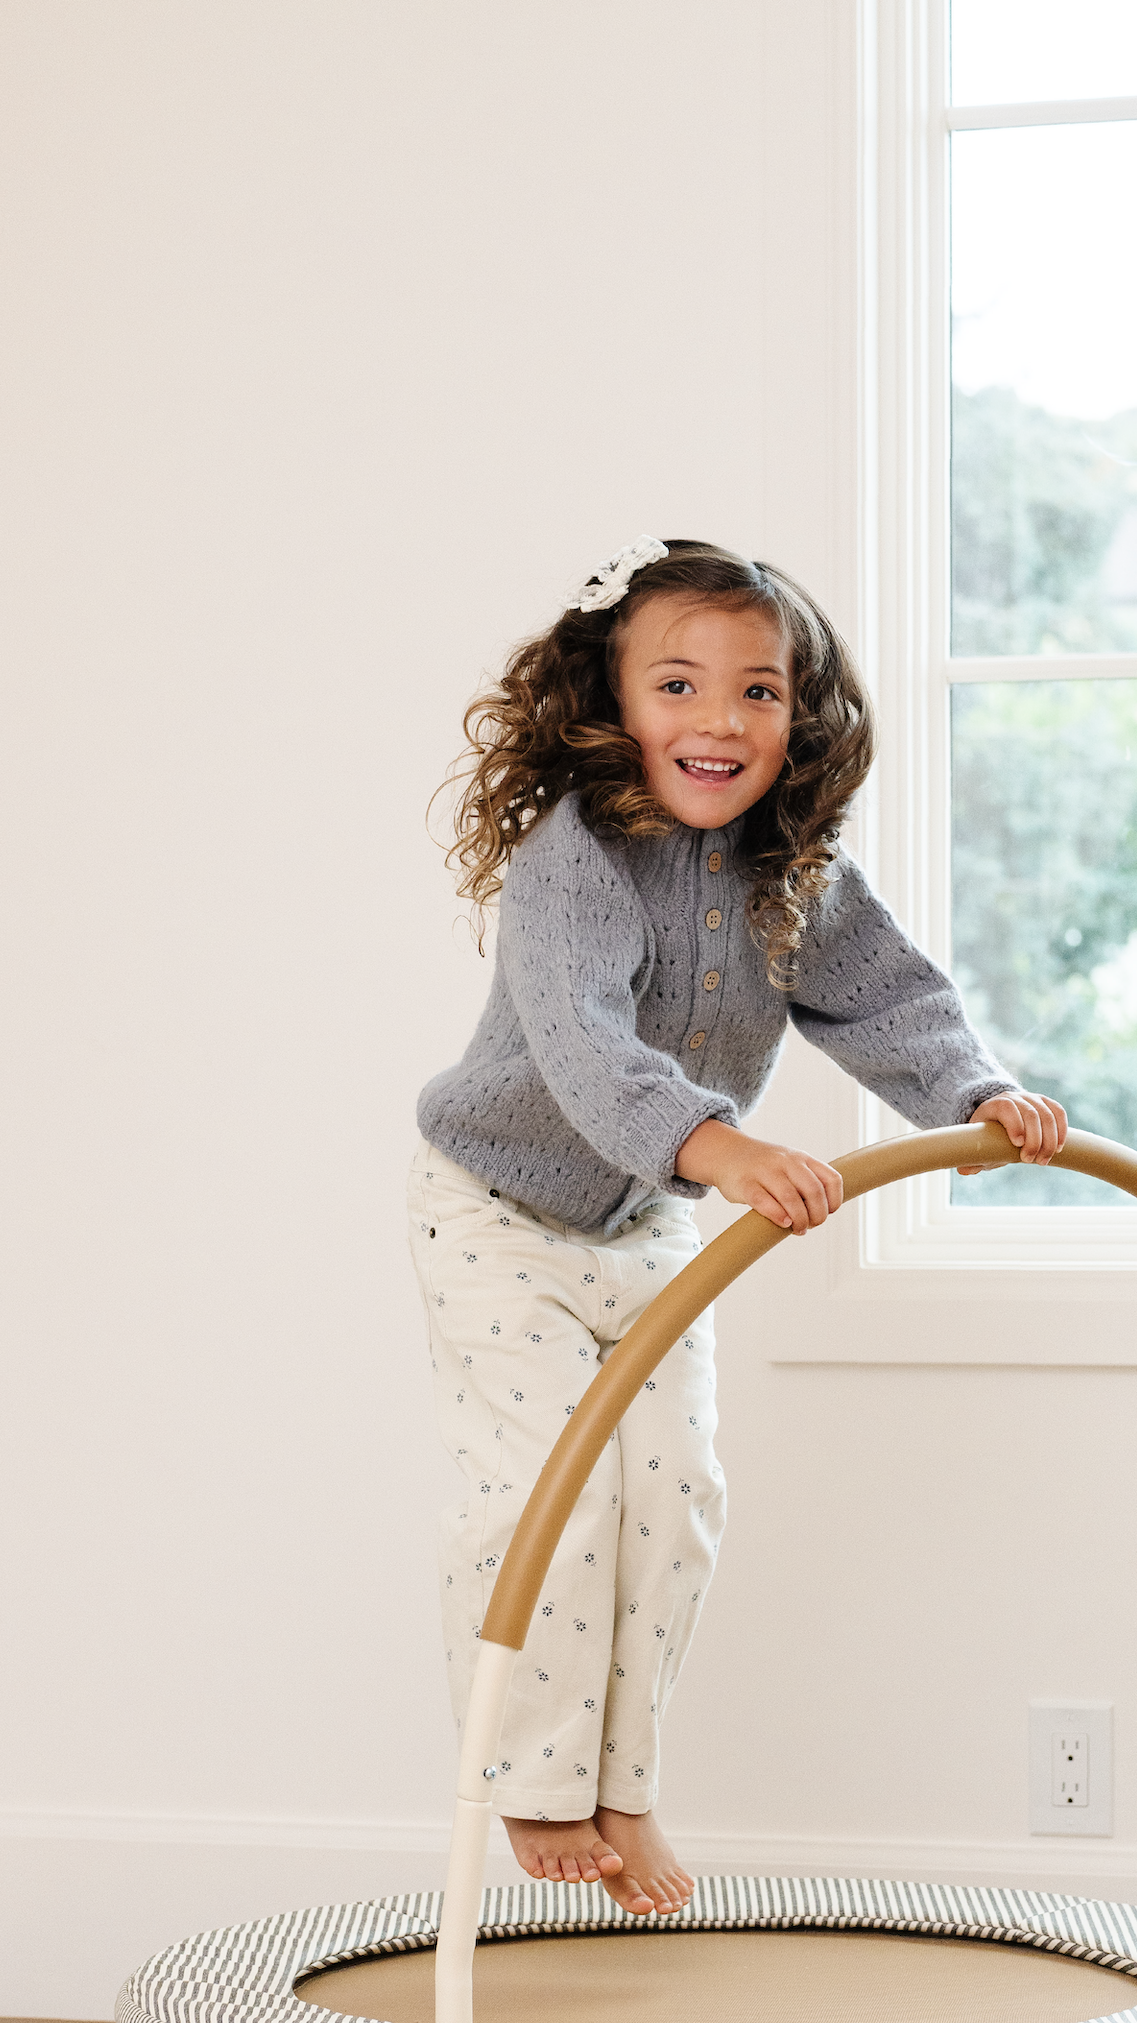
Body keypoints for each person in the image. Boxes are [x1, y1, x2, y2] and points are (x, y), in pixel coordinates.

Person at [411, 537, 1065, 1920]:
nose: (719, 722)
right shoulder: (573, 860)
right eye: (679, 685)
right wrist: (729, 1147)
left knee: (678, 1498)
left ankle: (624, 1787)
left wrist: (980, 1091)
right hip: (499, 1213)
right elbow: (586, 1050)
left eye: (758, 691)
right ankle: (537, 1789)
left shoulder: (793, 876)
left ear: (801, 716)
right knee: (554, 1500)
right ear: (613, 700)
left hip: (647, 1222)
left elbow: (887, 1000)